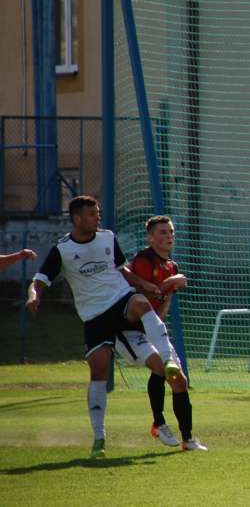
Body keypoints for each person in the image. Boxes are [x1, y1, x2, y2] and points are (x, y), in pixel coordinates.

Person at [26, 196, 179, 458]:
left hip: (120, 299)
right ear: (77, 218)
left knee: (141, 304)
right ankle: (99, 438)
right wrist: (34, 296)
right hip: (94, 316)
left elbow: (123, 271)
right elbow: (39, 281)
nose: (98, 217)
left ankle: (168, 362)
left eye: (98, 212)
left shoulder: (108, 237)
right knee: (99, 370)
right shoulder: (62, 250)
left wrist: (146, 285)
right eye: (92, 214)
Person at [118, 215, 207, 451]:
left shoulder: (171, 266)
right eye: (162, 232)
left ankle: (188, 440)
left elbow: (161, 309)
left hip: (153, 330)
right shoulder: (144, 260)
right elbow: (141, 300)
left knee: (179, 381)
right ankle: (158, 423)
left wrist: (169, 287)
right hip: (129, 331)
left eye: (171, 232)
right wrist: (169, 284)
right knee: (159, 366)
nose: (169, 236)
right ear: (150, 237)